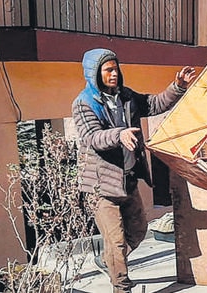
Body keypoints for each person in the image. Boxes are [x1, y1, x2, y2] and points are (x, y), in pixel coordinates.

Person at [72, 48, 196, 293]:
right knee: (116, 241)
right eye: (108, 70)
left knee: (139, 230)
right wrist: (120, 134)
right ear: (94, 73)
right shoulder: (83, 103)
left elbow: (153, 104)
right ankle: (121, 286)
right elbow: (92, 137)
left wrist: (178, 86)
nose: (114, 74)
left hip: (127, 181)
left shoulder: (126, 97)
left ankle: (110, 261)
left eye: (116, 68)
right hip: (102, 187)